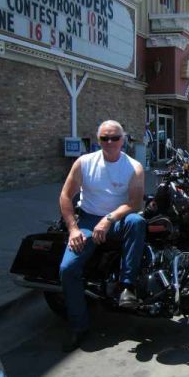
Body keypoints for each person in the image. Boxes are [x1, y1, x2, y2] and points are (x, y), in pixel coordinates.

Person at [58, 120, 146, 351]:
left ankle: (127, 286)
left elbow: (134, 203)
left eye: (114, 138)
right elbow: (66, 196)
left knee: (137, 222)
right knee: (68, 269)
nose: (109, 143)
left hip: (117, 220)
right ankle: (79, 326)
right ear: (98, 141)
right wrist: (73, 229)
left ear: (123, 139)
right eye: (104, 138)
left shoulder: (133, 166)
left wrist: (108, 220)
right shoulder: (84, 163)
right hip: (87, 220)